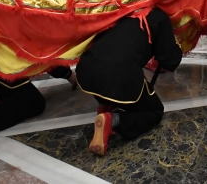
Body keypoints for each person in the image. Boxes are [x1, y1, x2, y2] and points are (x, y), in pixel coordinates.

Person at [76, 8, 183, 155]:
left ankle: (105, 105)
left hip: (86, 69)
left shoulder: (123, 6)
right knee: (154, 111)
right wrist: (177, 43)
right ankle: (112, 120)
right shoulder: (159, 16)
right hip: (119, 75)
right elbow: (170, 61)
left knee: (115, 81)